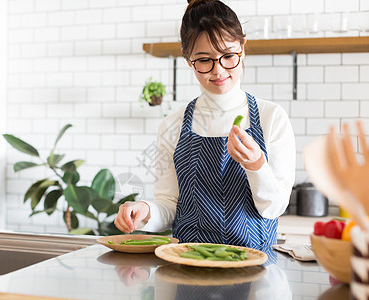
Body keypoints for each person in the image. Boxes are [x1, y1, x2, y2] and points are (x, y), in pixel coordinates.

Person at [114, 0, 295, 251]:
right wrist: (143, 210)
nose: (218, 70)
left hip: (253, 272)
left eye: (229, 56)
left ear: (243, 47)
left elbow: (274, 208)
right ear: (188, 60)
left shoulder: (271, 117)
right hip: (187, 266)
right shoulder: (172, 125)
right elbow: (169, 204)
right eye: (204, 60)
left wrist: (256, 165)